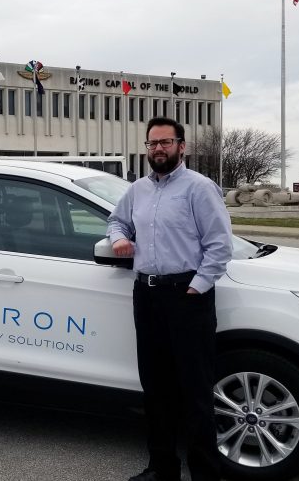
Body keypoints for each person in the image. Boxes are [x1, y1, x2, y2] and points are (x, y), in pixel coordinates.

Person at [107, 117, 233, 481]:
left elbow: (219, 245)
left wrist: (198, 285)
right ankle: (162, 469)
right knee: (156, 388)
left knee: (195, 391)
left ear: (182, 146)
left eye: (165, 142)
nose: (158, 149)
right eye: (152, 143)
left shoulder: (200, 188)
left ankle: (205, 473)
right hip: (146, 296)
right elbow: (117, 221)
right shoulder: (138, 190)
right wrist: (119, 238)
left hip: (186, 297)